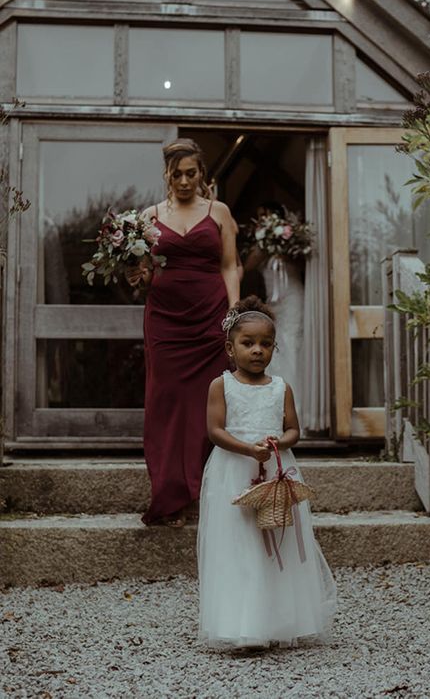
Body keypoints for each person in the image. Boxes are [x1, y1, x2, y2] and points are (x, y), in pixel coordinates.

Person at [197, 295, 336, 648]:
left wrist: (279, 443)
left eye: (266, 344)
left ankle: (278, 620)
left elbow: (294, 430)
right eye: (248, 343)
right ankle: (243, 624)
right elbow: (214, 431)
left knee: (278, 545)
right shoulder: (221, 385)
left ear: (275, 347)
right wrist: (247, 449)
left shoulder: (280, 387)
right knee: (239, 543)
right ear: (230, 348)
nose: (257, 350)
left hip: (275, 469)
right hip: (234, 469)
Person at [128, 137, 240, 527]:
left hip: (210, 318)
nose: (184, 180)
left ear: (201, 173)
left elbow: (230, 265)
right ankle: (169, 494)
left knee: (207, 405)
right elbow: (144, 270)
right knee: (166, 402)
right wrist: (138, 274)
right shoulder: (149, 216)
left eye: (191, 173)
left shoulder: (219, 212)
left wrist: (234, 312)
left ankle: (204, 492)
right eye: (177, 174)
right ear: (167, 175)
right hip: (165, 321)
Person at [241, 202, 305, 419]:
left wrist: (283, 245)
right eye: (259, 216)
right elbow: (247, 266)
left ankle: (299, 410)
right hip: (272, 303)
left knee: (293, 346)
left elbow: (305, 261)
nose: (261, 220)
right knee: (274, 349)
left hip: (293, 298)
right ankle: (274, 410)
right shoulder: (260, 244)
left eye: (265, 215)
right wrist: (266, 242)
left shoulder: (293, 241)